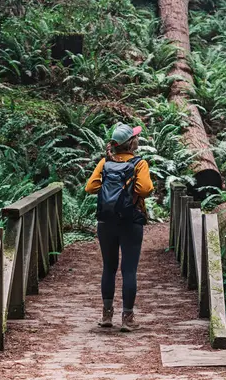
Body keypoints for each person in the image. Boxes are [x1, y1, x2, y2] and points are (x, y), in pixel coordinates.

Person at [85, 123, 154, 331]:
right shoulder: (139, 164)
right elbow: (146, 189)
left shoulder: (105, 163)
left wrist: (109, 189)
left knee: (109, 267)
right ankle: (127, 318)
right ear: (131, 143)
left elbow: (90, 187)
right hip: (130, 221)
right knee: (129, 269)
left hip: (106, 222)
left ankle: (107, 316)